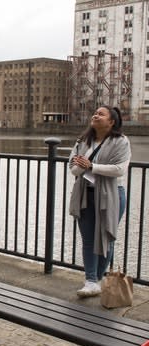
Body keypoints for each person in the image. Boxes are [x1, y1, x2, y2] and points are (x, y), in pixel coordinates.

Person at [69, 106, 131, 297]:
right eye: (95, 113)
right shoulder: (83, 140)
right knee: (88, 240)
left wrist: (92, 166)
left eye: (101, 114)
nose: (95, 115)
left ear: (111, 121)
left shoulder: (121, 141)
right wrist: (82, 166)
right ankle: (90, 280)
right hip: (85, 194)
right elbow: (72, 167)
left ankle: (97, 278)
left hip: (112, 194)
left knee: (107, 238)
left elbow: (119, 169)